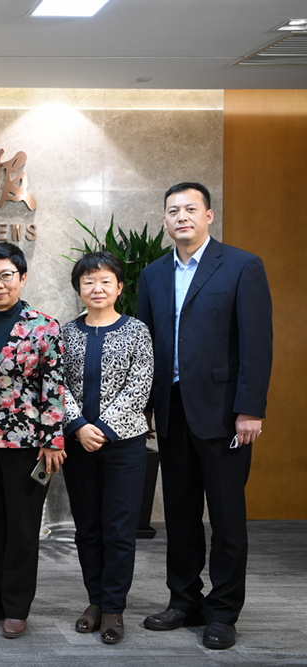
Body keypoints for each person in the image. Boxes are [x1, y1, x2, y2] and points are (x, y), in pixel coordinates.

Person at [137, 182, 272, 650]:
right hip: (171, 410)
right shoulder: (153, 274)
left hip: (224, 413)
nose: (182, 217)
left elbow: (257, 343)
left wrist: (249, 409)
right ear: (165, 219)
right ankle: (184, 600)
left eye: (190, 209)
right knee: (180, 514)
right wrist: (145, 407)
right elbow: (146, 346)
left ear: (208, 215)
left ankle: (223, 611)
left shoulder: (241, 266)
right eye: (173, 210)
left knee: (227, 517)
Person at [0, 241, 65, 639]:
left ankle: (17, 606)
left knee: (21, 527)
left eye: (6, 275)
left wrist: (53, 439)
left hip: (27, 443)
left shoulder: (44, 326)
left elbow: (54, 387)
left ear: (22, 278)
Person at [61, 252, 153, 644]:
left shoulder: (137, 331)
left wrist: (103, 429)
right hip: (78, 444)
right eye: (88, 282)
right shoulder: (65, 333)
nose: (96, 288)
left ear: (119, 287)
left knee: (118, 529)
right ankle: (95, 601)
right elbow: (56, 384)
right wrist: (79, 426)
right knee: (87, 528)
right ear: (79, 289)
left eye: (104, 281)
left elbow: (140, 383)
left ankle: (114, 607)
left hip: (125, 446)